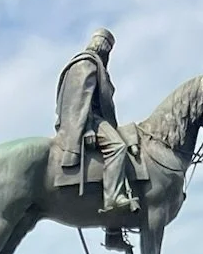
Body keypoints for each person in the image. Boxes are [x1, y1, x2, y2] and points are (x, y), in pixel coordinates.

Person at [54, 26, 139, 235]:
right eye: (107, 48)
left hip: (94, 119)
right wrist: (87, 129)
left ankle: (114, 230)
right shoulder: (87, 64)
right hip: (88, 121)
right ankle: (113, 198)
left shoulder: (92, 65)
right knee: (118, 147)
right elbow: (78, 102)